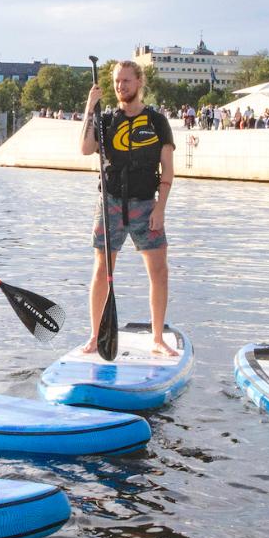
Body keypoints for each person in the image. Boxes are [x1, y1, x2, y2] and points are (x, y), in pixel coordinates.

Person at [80, 59, 176, 356]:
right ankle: (96, 336)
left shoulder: (157, 121)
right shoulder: (106, 119)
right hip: (109, 202)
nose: (121, 86)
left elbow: (168, 170)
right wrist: (89, 109)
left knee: (159, 272)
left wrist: (160, 208)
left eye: (126, 81)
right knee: (101, 270)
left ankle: (157, 338)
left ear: (139, 82)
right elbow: (85, 149)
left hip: (146, 204)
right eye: (117, 82)